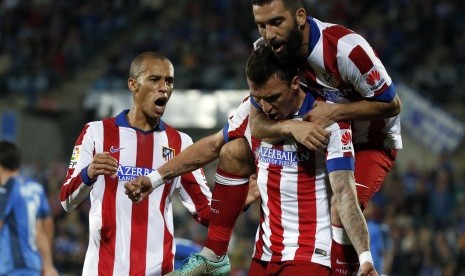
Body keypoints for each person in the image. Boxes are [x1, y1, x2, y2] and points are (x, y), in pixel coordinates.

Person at [126, 45, 377, 275]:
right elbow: (212, 146)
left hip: (310, 255)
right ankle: (214, 254)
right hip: (265, 254)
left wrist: (366, 258)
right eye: (260, 99)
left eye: (273, 98)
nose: (266, 108)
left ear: (295, 83)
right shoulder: (254, 110)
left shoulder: (329, 121)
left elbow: (344, 194)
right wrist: (154, 179)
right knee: (233, 149)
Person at [246, 1, 402, 274]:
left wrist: (335, 112)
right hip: (325, 132)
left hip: (371, 141)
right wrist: (291, 129)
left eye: (276, 22)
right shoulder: (266, 51)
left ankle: (359, 268)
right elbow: (257, 122)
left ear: (300, 16)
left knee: (340, 208)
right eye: (262, 25)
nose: (268, 34)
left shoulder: (347, 50)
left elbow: (392, 104)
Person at [59, 52, 214, 275]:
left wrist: (239, 192)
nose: (164, 87)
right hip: (103, 270)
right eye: (155, 79)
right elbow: (66, 200)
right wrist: (89, 173)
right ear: (133, 84)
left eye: (169, 81)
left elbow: (207, 213)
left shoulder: (181, 143)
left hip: (158, 271)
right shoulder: (95, 132)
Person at [0, 140, 58, 276]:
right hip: (33, 266)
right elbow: (42, 229)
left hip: (11, 267)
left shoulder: (7, 189)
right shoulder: (35, 188)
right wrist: (48, 265)